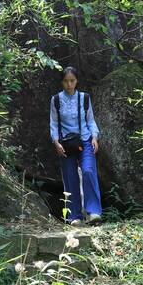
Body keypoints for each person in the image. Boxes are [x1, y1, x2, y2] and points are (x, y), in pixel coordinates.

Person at [49, 66, 102, 226]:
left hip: (85, 140)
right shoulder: (56, 100)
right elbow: (54, 122)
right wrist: (55, 141)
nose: (69, 84)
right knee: (70, 177)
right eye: (66, 81)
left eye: (72, 81)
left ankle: (93, 212)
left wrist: (94, 136)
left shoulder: (84, 98)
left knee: (88, 171)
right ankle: (74, 216)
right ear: (62, 82)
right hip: (65, 143)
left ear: (77, 81)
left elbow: (90, 119)